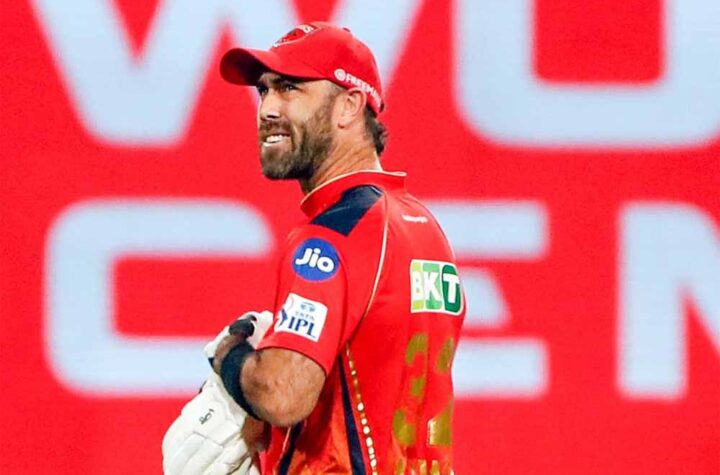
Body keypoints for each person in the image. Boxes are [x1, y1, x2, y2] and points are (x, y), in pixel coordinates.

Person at [162, 22, 466, 475]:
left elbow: (284, 393)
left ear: (349, 106)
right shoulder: (423, 228)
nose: (267, 108)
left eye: (289, 88)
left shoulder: (331, 236)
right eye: (264, 91)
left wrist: (231, 355)